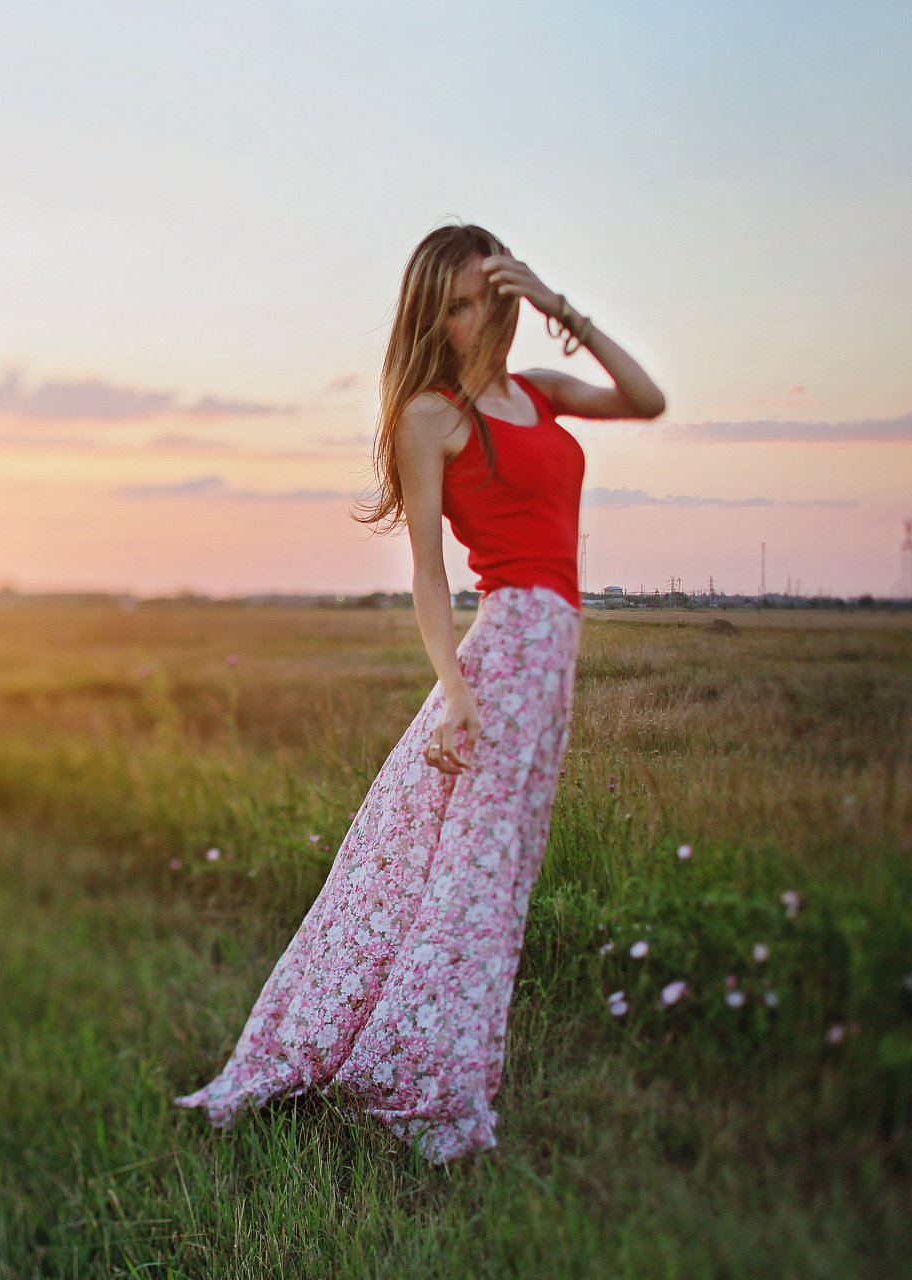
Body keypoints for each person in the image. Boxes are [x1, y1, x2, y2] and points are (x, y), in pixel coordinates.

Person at [173, 222, 667, 1164]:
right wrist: (452, 689)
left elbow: (646, 399)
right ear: (429, 317)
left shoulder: (542, 395)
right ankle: (424, 1084)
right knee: (462, 876)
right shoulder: (430, 418)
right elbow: (432, 574)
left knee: (489, 874)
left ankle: (421, 1060)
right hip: (506, 647)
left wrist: (567, 310)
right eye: (450, 304)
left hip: (551, 654)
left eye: (483, 296)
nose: (470, 318)